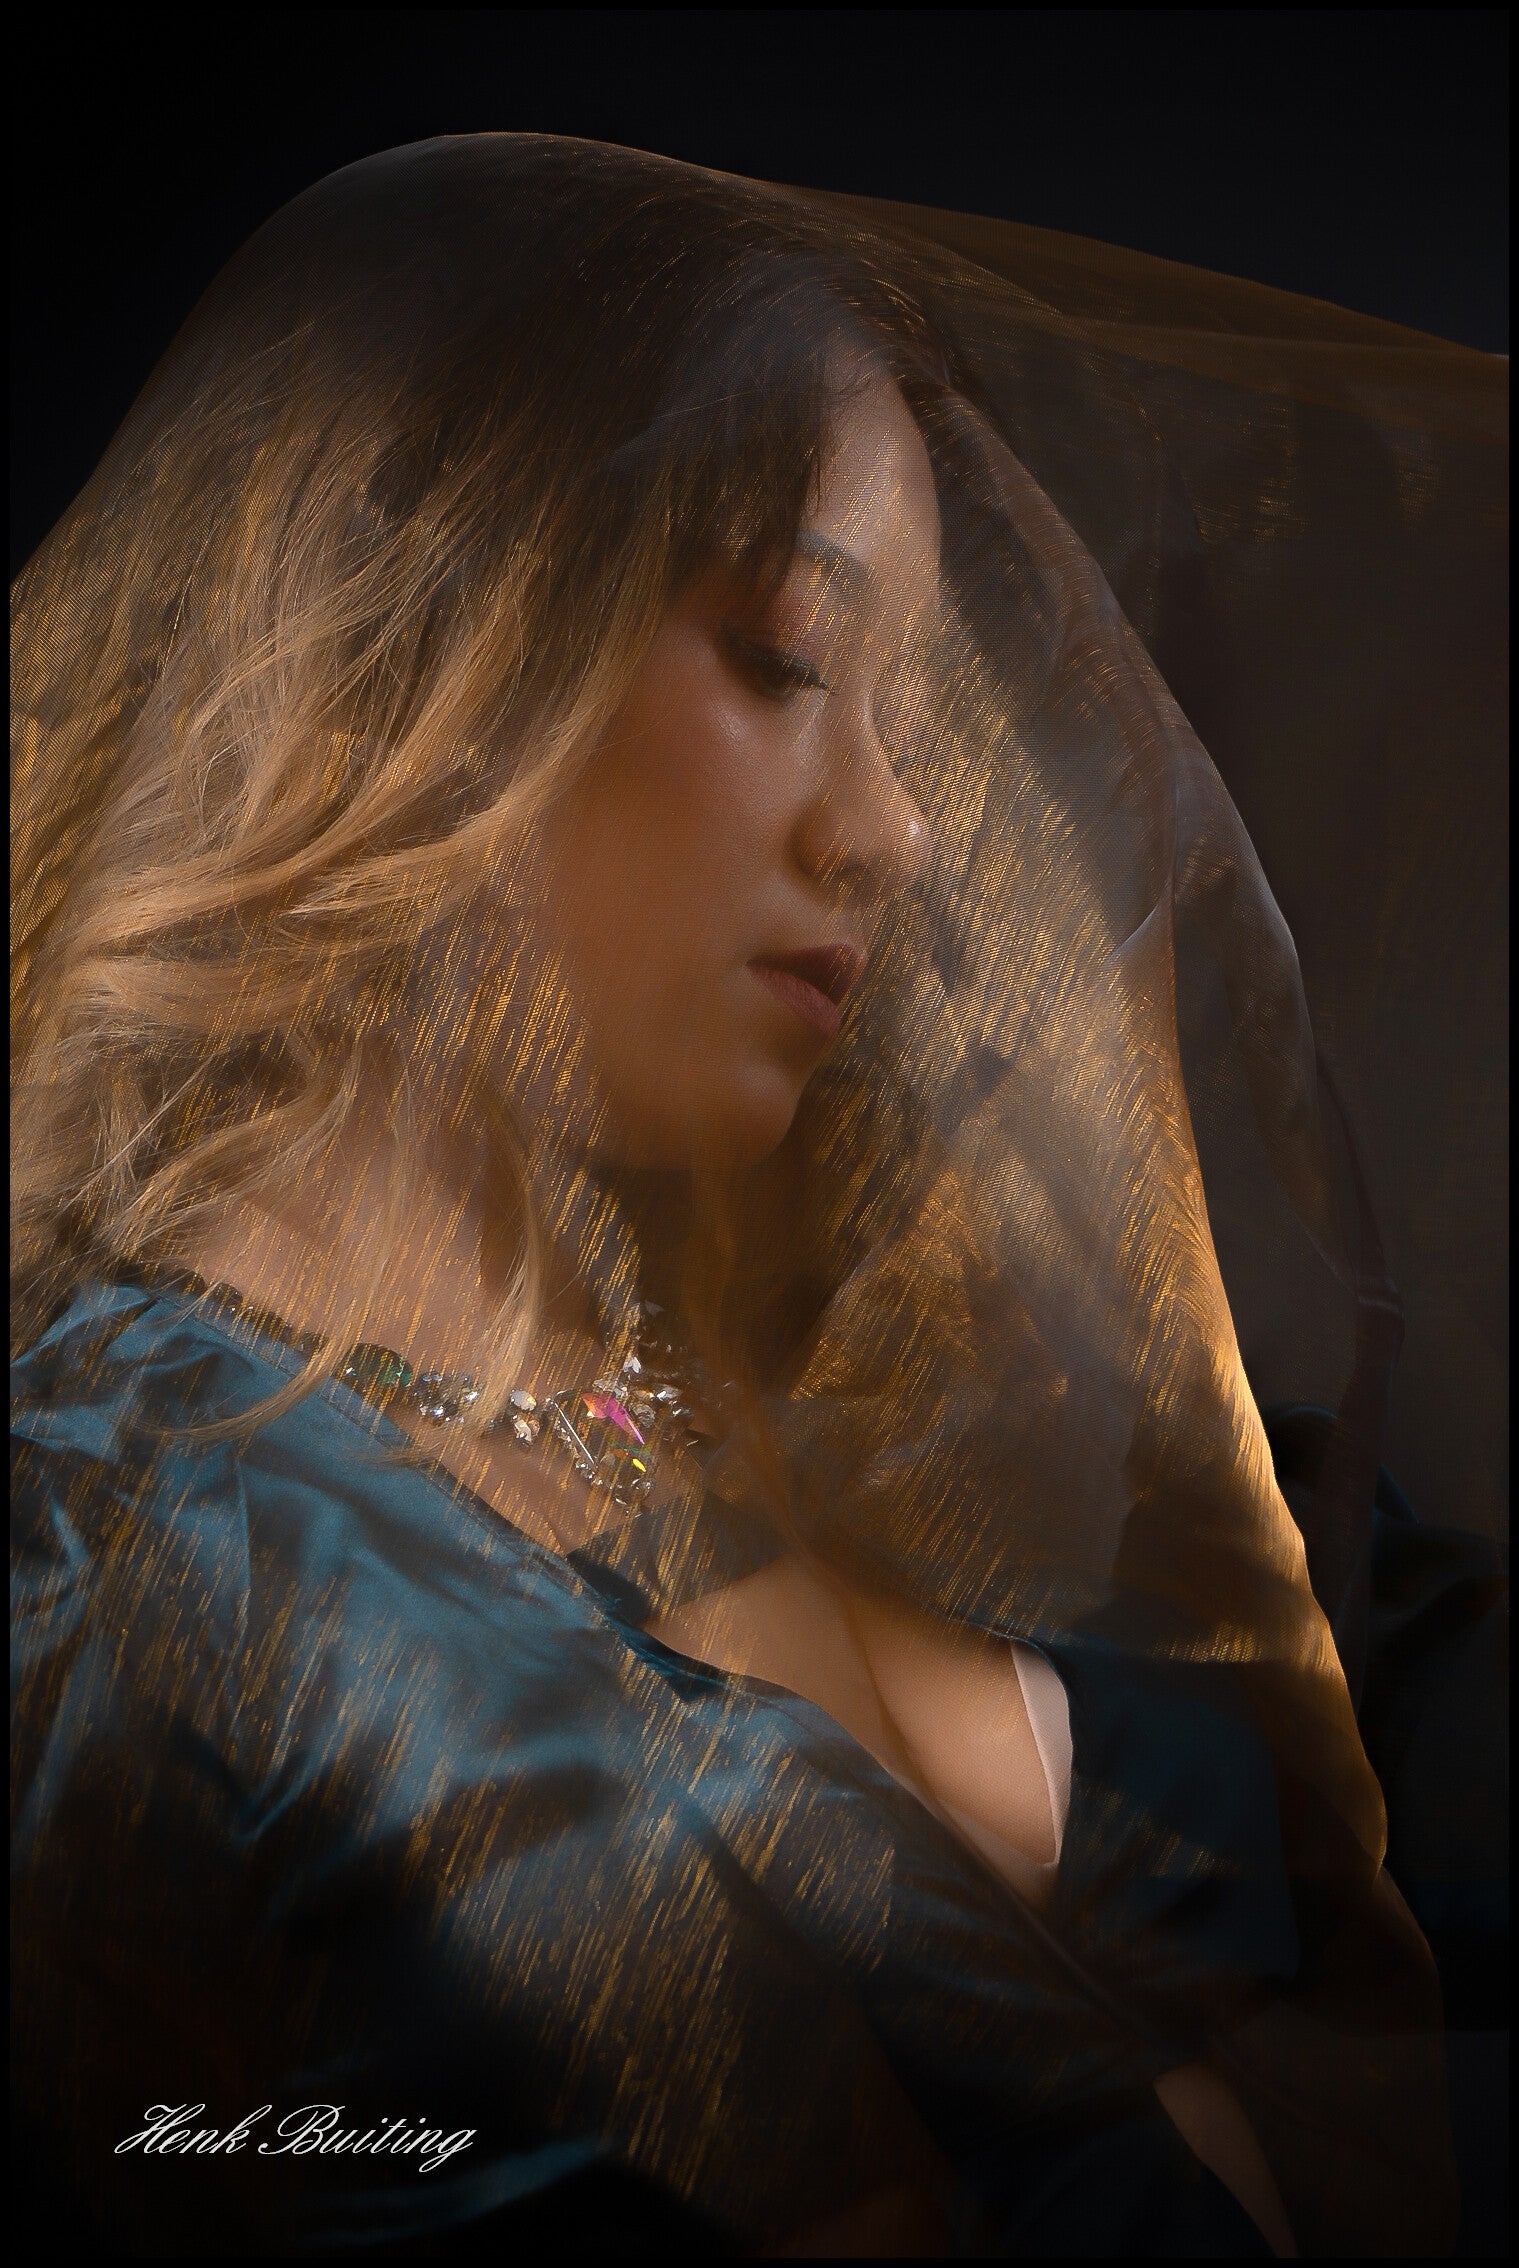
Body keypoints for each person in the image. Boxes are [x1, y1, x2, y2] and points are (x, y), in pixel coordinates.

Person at [12, 136, 1469, 2256]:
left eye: (910, 718)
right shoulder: (117, 1537)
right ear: (436, 645)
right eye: (790, 656)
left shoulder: (775, 1374)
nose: (899, 831)